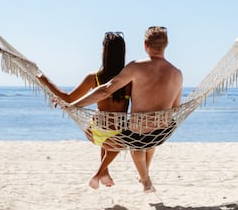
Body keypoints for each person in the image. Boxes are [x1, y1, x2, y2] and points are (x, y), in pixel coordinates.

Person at [68, 25, 183, 193]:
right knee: (149, 139)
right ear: (166, 45)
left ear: (145, 45)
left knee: (132, 141)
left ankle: (145, 181)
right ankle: (143, 175)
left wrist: (75, 105)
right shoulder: (177, 73)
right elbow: (175, 107)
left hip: (139, 133)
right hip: (163, 132)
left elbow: (106, 90)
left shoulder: (136, 67)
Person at [37, 31, 131, 189]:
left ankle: (105, 172)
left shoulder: (93, 78)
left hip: (94, 132)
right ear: (123, 53)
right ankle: (99, 172)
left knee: (108, 137)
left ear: (104, 51)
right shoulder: (129, 80)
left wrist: (45, 80)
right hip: (116, 135)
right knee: (120, 140)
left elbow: (67, 98)